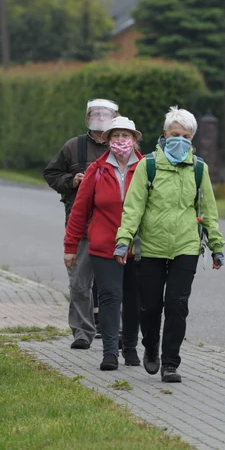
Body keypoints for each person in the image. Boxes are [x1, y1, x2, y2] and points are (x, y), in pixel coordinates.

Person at [115, 106, 225, 383]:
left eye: (186, 136)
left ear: (192, 139)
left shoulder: (199, 169)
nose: (180, 139)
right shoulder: (147, 165)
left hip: (186, 247)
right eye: (175, 134)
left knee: (177, 305)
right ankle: (150, 347)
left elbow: (208, 209)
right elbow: (133, 207)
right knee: (149, 307)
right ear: (165, 134)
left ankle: (171, 363)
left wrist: (216, 245)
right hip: (150, 246)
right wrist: (123, 240)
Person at [64, 116, 143, 371]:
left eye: (125, 135)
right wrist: (71, 246)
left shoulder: (146, 168)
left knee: (133, 300)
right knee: (110, 297)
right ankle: (110, 352)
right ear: (108, 140)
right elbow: (79, 211)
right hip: (104, 246)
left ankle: (130, 347)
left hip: (137, 247)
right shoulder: (96, 170)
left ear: (134, 140)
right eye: (116, 136)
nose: (121, 140)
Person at [43, 99, 115, 350]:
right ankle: (82, 331)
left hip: (113, 228)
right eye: (95, 116)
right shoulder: (74, 146)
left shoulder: (122, 146)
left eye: (105, 116)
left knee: (112, 285)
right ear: (87, 119)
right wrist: (72, 181)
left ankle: (114, 330)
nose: (100, 120)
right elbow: (51, 174)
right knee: (79, 284)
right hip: (81, 225)